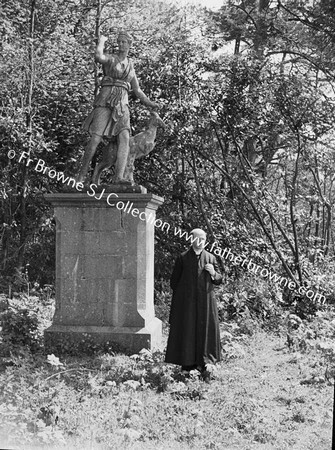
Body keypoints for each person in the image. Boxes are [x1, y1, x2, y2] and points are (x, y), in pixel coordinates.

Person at [78, 31, 159, 183]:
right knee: (95, 138)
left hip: (122, 103)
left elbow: (137, 90)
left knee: (124, 137)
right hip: (105, 99)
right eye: (119, 42)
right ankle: (81, 176)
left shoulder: (130, 66)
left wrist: (150, 103)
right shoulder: (111, 59)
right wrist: (101, 41)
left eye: (123, 42)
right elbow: (98, 57)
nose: (120, 44)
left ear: (129, 45)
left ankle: (119, 177)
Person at [165, 228, 223, 382]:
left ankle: (204, 364)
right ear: (191, 239)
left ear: (205, 241)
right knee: (188, 331)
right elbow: (174, 282)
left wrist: (213, 273)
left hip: (206, 303)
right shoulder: (182, 258)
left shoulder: (211, 258)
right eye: (197, 238)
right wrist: (185, 296)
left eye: (203, 239)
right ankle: (187, 366)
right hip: (187, 304)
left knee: (205, 331)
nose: (200, 242)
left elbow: (219, 279)